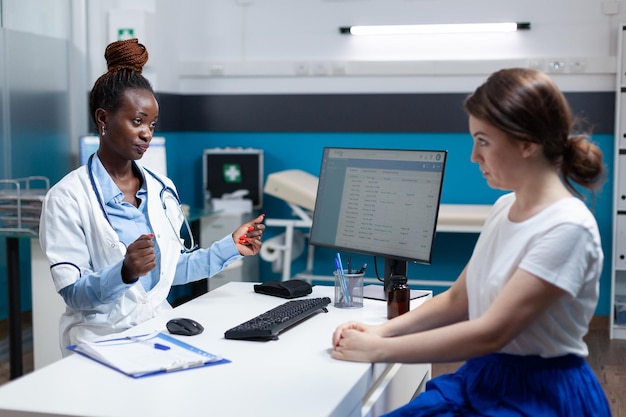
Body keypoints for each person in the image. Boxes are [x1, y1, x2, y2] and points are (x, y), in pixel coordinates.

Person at [331, 68, 611, 416]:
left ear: (527, 143)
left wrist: (379, 349)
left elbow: (491, 333)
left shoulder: (568, 228)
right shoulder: (504, 207)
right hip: (487, 375)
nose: (473, 157)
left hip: (539, 393)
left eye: (483, 141)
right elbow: (459, 299)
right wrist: (381, 331)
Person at [39, 38, 265, 355]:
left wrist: (232, 246)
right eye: (137, 121)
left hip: (155, 329)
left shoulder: (160, 189)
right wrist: (125, 272)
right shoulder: (67, 198)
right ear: (103, 119)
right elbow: (74, 294)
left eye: (152, 124)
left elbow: (174, 271)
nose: (147, 133)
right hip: (99, 340)